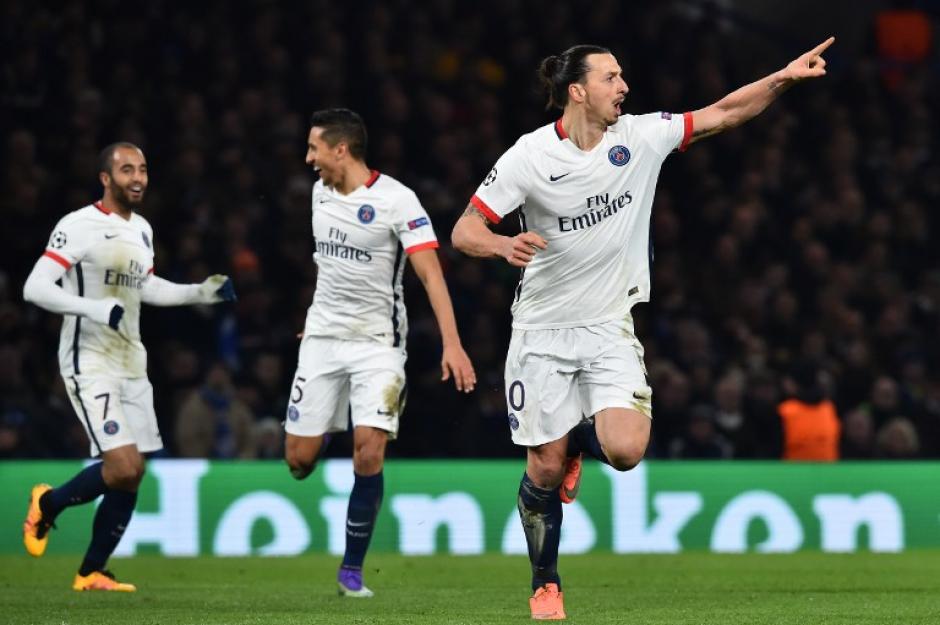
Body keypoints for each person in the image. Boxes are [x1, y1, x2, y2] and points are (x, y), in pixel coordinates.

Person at [451, 38, 834, 619]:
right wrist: (502, 244)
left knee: (627, 450)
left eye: (622, 75)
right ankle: (545, 583)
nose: (623, 86)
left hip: (608, 325)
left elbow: (724, 112)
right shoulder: (528, 157)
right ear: (578, 90)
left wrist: (781, 77)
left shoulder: (639, 136)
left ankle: (580, 443)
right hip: (541, 331)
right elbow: (464, 230)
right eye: (611, 77)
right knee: (544, 468)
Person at [21, 142, 236, 591]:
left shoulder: (142, 228)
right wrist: (95, 310)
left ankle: (91, 572)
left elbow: (146, 286)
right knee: (120, 466)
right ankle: (48, 504)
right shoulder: (78, 225)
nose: (137, 178)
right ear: (105, 178)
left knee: (134, 471)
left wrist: (200, 293)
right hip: (90, 360)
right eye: (126, 170)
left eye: (142, 169)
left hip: (132, 363)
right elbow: (35, 288)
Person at [284, 109, 476, 598]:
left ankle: (351, 570)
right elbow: (329, 270)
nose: (308, 159)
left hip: (378, 346)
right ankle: (323, 424)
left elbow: (431, 275)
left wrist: (451, 344)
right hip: (323, 341)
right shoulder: (318, 192)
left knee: (367, 451)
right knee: (299, 462)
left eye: (314, 149)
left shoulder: (397, 201)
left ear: (341, 149)